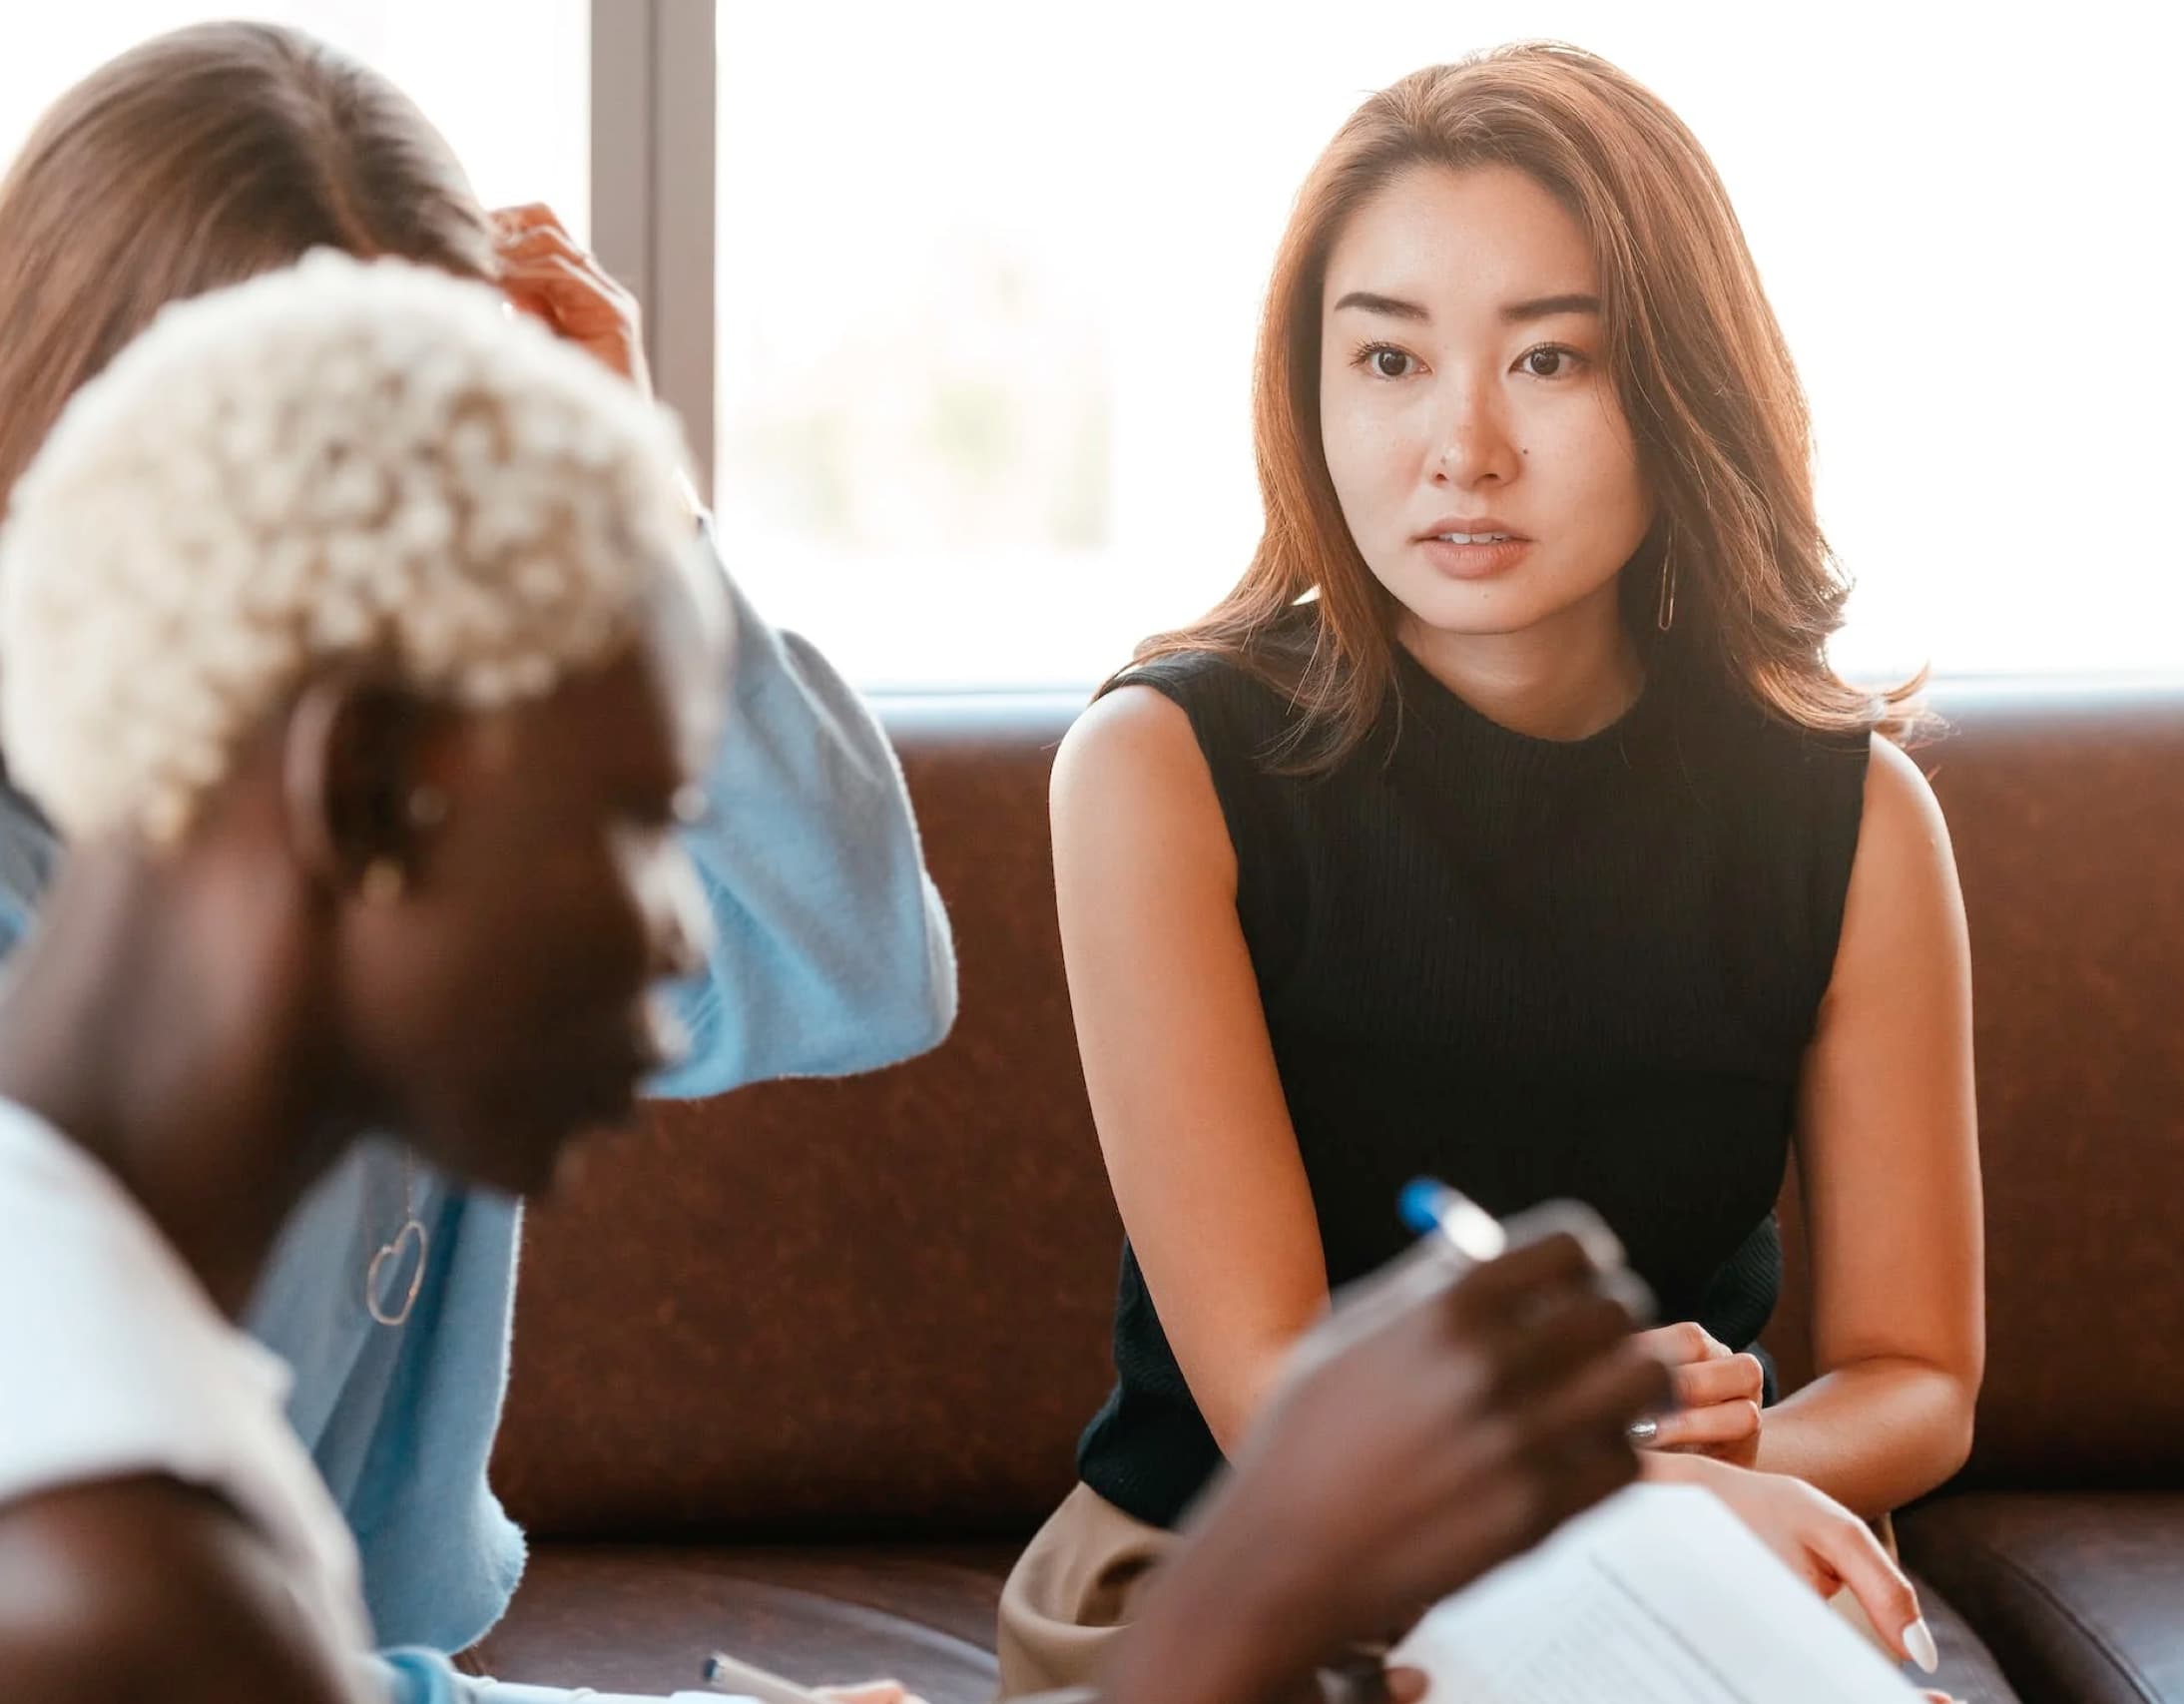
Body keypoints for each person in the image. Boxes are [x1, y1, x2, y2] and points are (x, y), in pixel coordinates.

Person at [0, 252, 1686, 1704]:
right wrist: (1257, 1576)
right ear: (371, 787)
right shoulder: (103, 1577)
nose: (683, 932)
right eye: (638, 822)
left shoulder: (116, 1385)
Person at [1000, 41, 1983, 1694]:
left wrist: (1696, 1498)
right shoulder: (1159, 769)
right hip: (1241, 1567)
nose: (1460, 446)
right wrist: (1631, 1480)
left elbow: (1915, 1376)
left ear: (1681, 388)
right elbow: (1272, 1403)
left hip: (1666, 1564)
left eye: (1549, 362)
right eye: (1387, 359)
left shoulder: (1855, 816)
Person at [0, 22, 954, 1658]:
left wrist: (622, 508)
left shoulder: (419, 828)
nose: (415, 550)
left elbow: (862, 967)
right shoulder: (105, 1548)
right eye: (337, 463)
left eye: (455, 424)